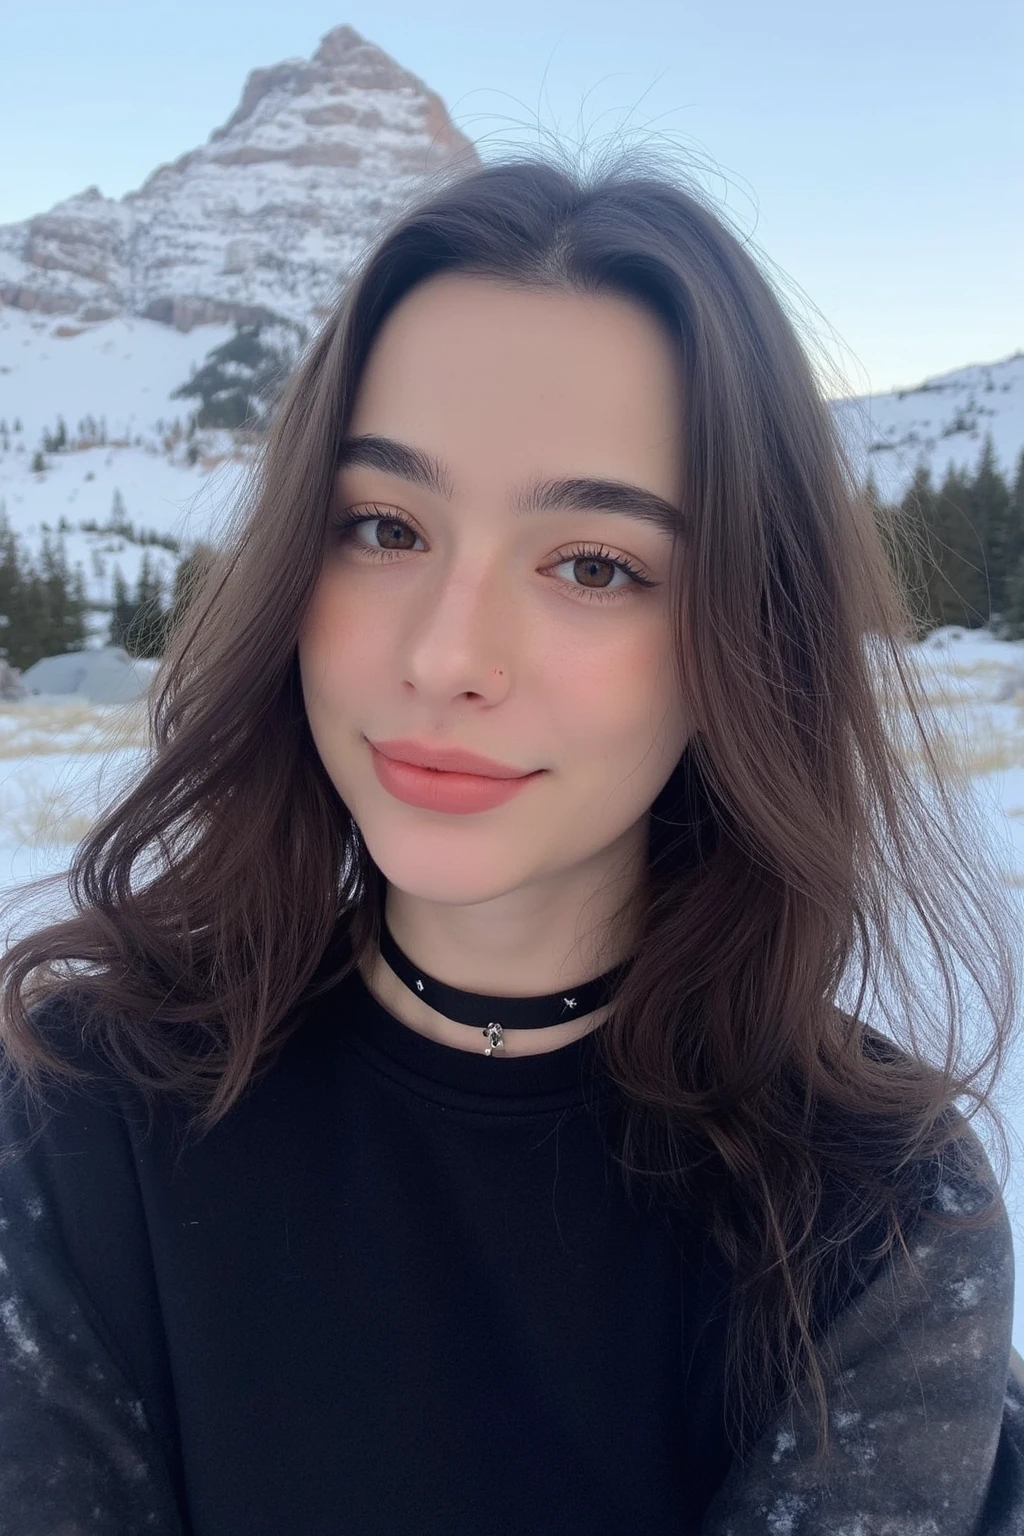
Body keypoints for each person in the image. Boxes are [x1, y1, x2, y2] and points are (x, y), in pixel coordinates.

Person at [0, 142, 1021, 1536]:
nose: (446, 654)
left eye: (593, 564)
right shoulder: (84, 1118)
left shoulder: (876, 1219)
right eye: (381, 525)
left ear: (743, 633)